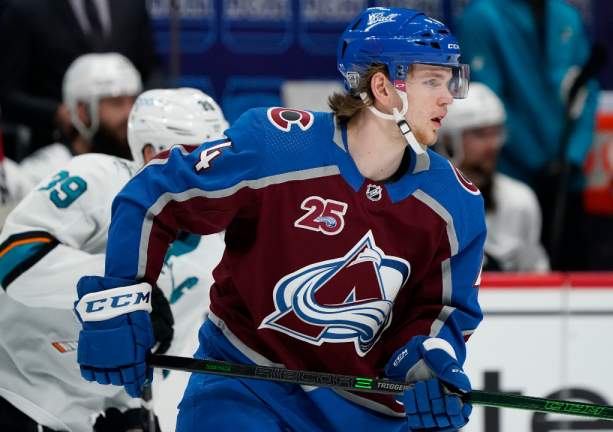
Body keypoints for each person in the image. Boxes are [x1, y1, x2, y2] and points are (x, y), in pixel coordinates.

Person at [74, 7, 485, 432]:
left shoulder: (456, 203)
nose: (448, 97)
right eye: (433, 81)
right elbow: (154, 194)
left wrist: (426, 363)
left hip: (370, 415)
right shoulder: (276, 145)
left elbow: (440, 311)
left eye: (450, 79)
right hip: (248, 386)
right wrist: (122, 295)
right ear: (382, 86)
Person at [0, 88, 229, 432]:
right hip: (12, 391)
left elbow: (156, 351)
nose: (217, 170)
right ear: (153, 153)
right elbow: (14, 260)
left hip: (80, 421)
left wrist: (131, 409)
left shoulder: (212, 251)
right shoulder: (98, 177)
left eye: (221, 155)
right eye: (202, 155)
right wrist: (128, 292)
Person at [457, 0, 599, 270]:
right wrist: (539, 163)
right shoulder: (482, 16)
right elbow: (492, 102)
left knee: (577, 285)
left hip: (569, 180)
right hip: (515, 178)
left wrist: (573, 156)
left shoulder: (566, 15)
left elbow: (587, 89)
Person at [0, 0, 163, 159]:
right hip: (57, 153)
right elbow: (7, 93)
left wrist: (145, 106)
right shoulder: (25, 7)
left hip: (127, 155)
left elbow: (151, 67)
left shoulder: (131, 4)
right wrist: (56, 113)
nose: (128, 112)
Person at [435, 82, 549, 272]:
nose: (493, 145)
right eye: (480, 135)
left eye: (496, 134)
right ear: (448, 142)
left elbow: (536, 279)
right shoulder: (422, 202)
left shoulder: (520, 201)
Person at [20, 53, 142, 185]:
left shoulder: (145, 167)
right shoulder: (40, 174)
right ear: (82, 111)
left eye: (134, 101)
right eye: (116, 103)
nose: (130, 112)